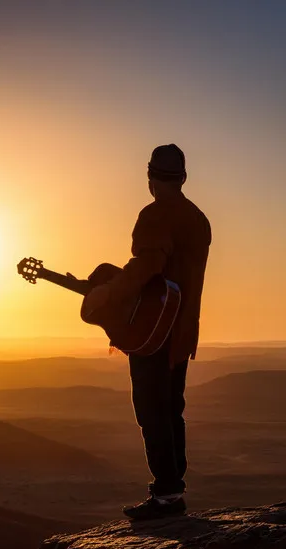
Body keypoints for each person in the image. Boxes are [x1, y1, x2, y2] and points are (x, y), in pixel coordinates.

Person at [94, 144, 211, 520]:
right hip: (182, 332)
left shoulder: (155, 214)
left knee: (151, 409)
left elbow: (149, 266)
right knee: (172, 407)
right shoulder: (198, 218)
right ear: (184, 177)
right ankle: (173, 491)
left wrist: (108, 293)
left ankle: (165, 496)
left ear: (149, 178)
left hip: (155, 333)